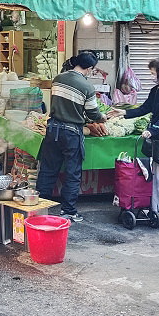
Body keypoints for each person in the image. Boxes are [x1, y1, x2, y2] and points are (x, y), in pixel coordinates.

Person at [36, 51, 106, 223]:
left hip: (52, 129)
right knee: (72, 173)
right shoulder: (87, 86)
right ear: (89, 68)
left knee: (48, 170)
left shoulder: (59, 78)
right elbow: (93, 113)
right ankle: (68, 211)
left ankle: (40, 208)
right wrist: (102, 118)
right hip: (71, 132)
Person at [113, 57, 159, 222]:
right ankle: (157, 209)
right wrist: (124, 113)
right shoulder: (156, 90)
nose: (152, 76)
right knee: (156, 175)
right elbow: (145, 108)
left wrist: (152, 130)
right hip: (156, 138)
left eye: (153, 73)